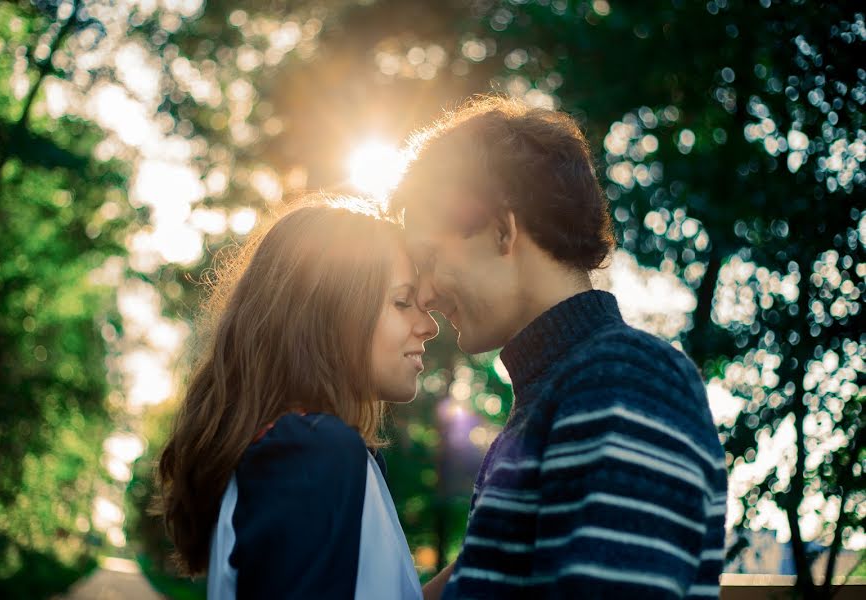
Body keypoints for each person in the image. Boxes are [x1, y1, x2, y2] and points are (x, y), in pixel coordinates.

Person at [389, 96, 727, 599]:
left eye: (431, 257)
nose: (426, 293)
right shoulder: (561, 392)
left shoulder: (626, 377)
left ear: (503, 229)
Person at [156, 199, 438, 599]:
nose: (429, 326)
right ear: (331, 311)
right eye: (401, 302)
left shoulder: (311, 452)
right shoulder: (314, 455)